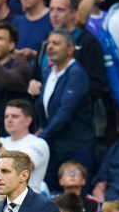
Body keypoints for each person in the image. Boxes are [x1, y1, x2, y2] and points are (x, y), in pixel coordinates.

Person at [30, 29, 94, 190]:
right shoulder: (47, 72)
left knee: (74, 202)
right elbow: (46, 109)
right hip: (54, 146)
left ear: (70, 49)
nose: (50, 47)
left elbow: (65, 113)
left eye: (56, 43)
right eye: (49, 43)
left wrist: (41, 138)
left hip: (75, 148)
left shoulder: (76, 73)